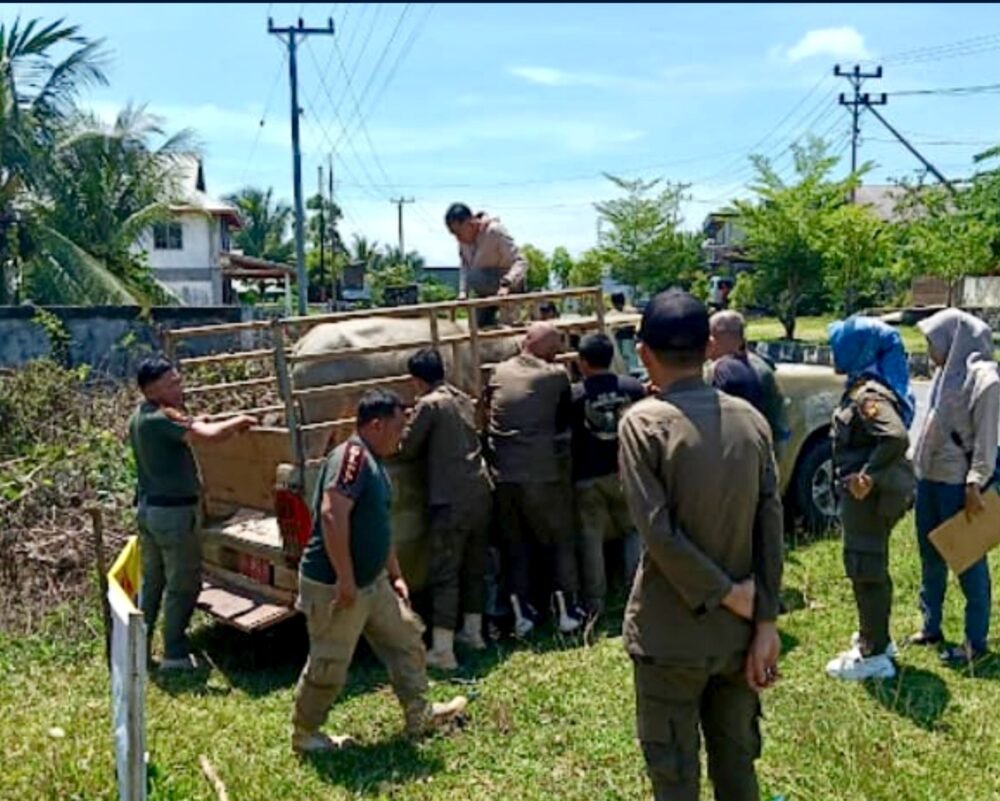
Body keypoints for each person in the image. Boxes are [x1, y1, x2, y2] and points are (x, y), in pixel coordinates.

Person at [619, 290, 783, 801]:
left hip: (670, 639)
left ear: (644, 353)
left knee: (675, 780)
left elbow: (658, 534)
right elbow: (770, 527)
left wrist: (726, 594)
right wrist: (765, 621)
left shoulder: (642, 423)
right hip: (738, 638)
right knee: (738, 772)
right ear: (710, 346)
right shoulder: (750, 421)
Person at [291, 389, 467, 754]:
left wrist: (396, 574)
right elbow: (330, 513)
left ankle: (420, 715)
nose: (403, 436)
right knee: (329, 664)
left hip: (372, 583)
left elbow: (378, 525)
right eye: (399, 427)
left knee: (406, 640)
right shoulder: (353, 456)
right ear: (376, 424)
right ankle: (306, 734)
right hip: (336, 586)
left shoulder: (373, 461)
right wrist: (345, 579)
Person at [128, 357, 256, 670]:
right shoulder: (162, 419)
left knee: (154, 583)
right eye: (172, 383)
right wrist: (239, 421)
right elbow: (209, 436)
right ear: (152, 388)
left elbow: (190, 428)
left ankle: (138, 650)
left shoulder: (142, 415)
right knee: (183, 583)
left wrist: (201, 421)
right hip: (174, 515)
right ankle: (174, 653)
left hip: (150, 511)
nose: (179, 386)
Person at [824, 317, 915, 681]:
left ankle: (873, 653)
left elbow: (895, 437)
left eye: (839, 343)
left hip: (869, 499)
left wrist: (868, 475)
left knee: (866, 567)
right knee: (869, 565)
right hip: (867, 498)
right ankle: (878, 637)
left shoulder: (868, 396)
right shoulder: (862, 387)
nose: (833, 350)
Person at [911, 308, 999, 665]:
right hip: (929, 478)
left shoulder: (985, 379)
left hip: (957, 484)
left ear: (954, 339)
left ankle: (974, 642)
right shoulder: (945, 373)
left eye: (933, 341)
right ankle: (930, 626)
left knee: (967, 561)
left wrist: (976, 480)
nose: (929, 348)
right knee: (930, 555)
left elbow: (988, 437)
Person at [397, 348, 494, 670]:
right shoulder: (462, 398)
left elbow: (408, 449)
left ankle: (442, 648)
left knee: (445, 573)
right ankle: (474, 633)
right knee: (474, 566)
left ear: (415, 379)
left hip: (450, 498)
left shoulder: (429, 405)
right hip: (480, 491)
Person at [487, 321, 583, 637]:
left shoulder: (498, 372)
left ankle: (520, 615)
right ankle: (566, 610)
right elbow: (564, 418)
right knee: (558, 540)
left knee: (514, 545)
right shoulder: (555, 375)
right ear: (551, 350)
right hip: (540, 473)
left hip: (502, 474)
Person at [570, 333, 645, 618]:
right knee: (632, 532)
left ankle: (595, 604)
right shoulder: (633, 388)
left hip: (587, 476)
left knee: (591, 540)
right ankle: (636, 594)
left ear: (583, 362)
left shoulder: (575, 394)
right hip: (624, 471)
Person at [708, 310, 786, 450]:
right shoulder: (762, 366)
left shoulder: (724, 371)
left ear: (721, 336)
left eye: (711, 335)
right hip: (767, 449)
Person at [445, 202, 527, 327]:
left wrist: (507, 283)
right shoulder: (464, 243)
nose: (458, 238)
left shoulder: (494, 231)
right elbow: (465, 266)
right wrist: (463, 293)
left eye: (459, 232)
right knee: (477, 329)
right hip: (484, 290)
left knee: (509, 330)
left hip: (509, 286)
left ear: (470, 223)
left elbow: (520, 261)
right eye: (454, 234)